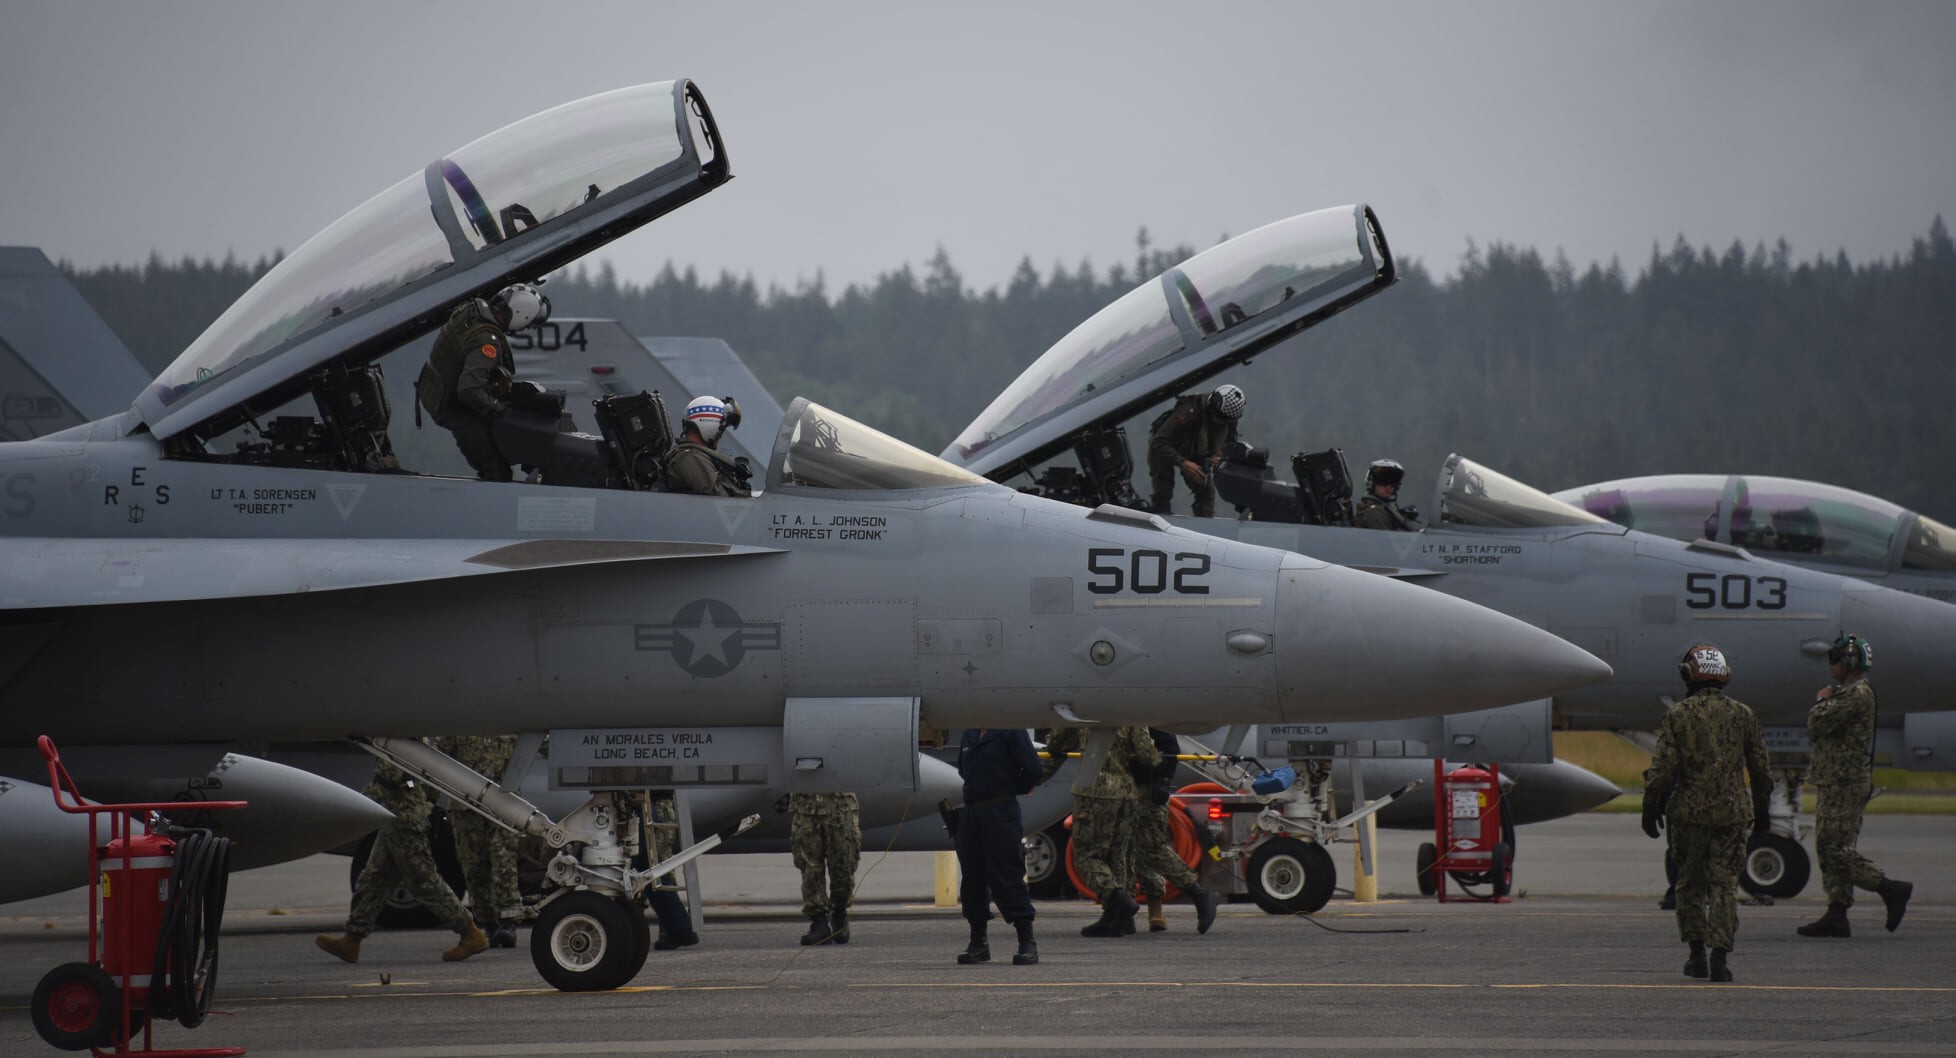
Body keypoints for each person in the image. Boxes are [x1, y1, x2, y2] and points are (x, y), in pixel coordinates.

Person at [1640, 643, 1770, 983]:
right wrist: (1763, 810)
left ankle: (1696, 956)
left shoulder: (1679, 715)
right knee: (1725, 886)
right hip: (1733, 814)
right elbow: (1760, 770)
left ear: (1687, 675)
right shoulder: (1744, 714)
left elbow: (1663, 767)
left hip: (1689, 814)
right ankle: (1720, 960)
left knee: (1690, 885)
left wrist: (1650, 803)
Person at [315, 755, 488, 964]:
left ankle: (470, 933)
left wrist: (356, 801)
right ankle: (352, 940)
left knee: (424, 881)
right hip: (396, 818)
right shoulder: (412, 737)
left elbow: (390, 774)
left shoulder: (396, 738)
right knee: (374, 879)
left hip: (405, 821)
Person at [1796, 633, 1913, 938]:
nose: (1831, 663)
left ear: (1849, 661)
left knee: (1833, 849)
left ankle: (1889, 888)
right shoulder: (1849, 692)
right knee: (1831, 847)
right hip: (1837, 779)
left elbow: (1817, 723)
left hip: (1844, 782)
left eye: (1835, 658)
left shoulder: (1855, 694)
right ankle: (1837, 913)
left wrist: (1821, 700)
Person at [415, 282, 551, 482]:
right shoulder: (487, 340)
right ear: (520, 314)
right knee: (497, 474)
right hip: (452, 407)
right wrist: (498, 410)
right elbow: (469, 389)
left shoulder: (473, 310)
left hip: (434, 389)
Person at [1042, 725, 1160, 937]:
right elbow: (1149, 756)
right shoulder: (1131, 713)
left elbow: (1057, 743)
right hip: (1127, 793)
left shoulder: (1086, 709)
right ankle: (1117, 918)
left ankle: (1118, 902)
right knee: (1118, 857)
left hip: (1094, 791)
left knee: (1087, 857)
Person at [951, 727, 1045, 966]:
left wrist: (1011, 787)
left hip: (1000, 811)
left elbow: (1033, 768)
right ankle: (978, 943)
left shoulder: (1010, 729)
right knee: (972, 878)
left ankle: (1027, 942)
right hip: (972, 813)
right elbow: (963, 769)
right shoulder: (969, 733)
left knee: (1007, 875)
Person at [433, 734, 523, 949]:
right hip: (467, 805)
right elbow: (439, 755)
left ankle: (508, 921)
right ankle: (489, 922)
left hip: (505, 803)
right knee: (474, 865)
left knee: (503, 857)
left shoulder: (512, 717)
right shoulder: (462, 721)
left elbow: (544, 742)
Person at [1131, 727, 1222, 933]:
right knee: (1128, 849)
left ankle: (1190, 896)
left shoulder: (1149, 720)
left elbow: (1170, 748)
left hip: (1147, 789)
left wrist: (1163, 781)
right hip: (1125, 788)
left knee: (1152, 848)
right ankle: (1125, 911)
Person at [1146, 384, 1244, 517]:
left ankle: (1205, 528)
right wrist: (1183, 463)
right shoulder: (1189, 411)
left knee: (1206, 490)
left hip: (1196, 451)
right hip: (1166, 448)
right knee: (1163, 491)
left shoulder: (1228, 419)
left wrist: (1221, 457)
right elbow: (1159, 442)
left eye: (1225, 420)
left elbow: (1230, 444)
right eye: (1219, 417)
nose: (1221, 422)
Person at [790, 791, 860, 945]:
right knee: (810, 868)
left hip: (841, 808)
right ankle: (818, 921)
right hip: (805, 809)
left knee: (843, 866)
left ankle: (840, 911)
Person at [663, 395, 751, 496]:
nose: (720, 437)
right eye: (721, 431)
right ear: (710, 426)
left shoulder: (696, 457)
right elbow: (720, 500)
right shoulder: (691, 459)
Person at [1354, 458, 1418, 531]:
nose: (1388, 487)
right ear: (1372, 483)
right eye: (1383, 481)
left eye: (1393, 482)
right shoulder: (1375, 511)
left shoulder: (1384, 508)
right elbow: (1386, 541)